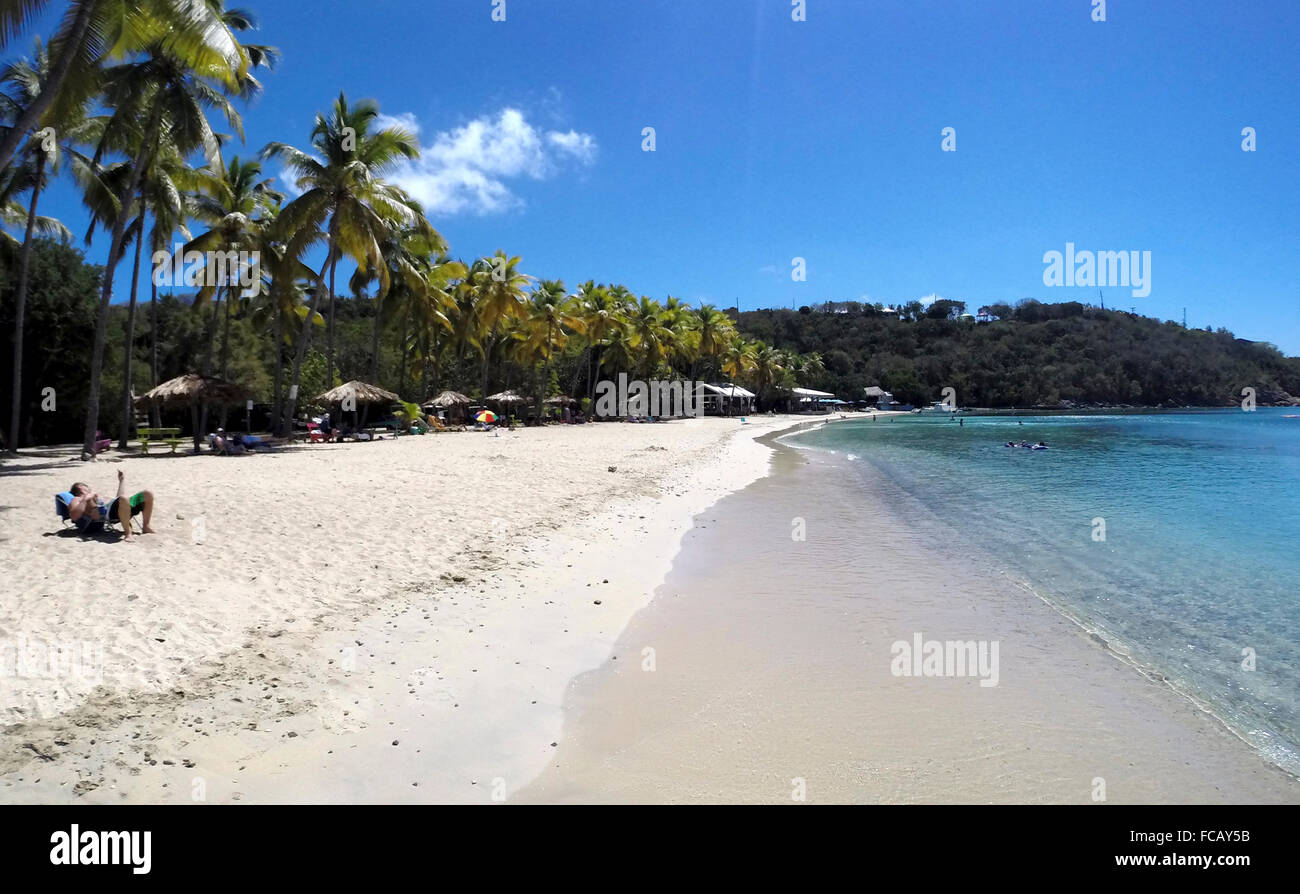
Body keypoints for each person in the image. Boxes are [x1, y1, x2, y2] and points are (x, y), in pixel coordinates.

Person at [68, 470, 155, 541]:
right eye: (85, 486)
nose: (88, 487)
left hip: (120, 506)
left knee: (147, 494)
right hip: (108, 513)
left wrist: (121, 481)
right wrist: (85, 499)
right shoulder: (76, 499)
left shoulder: (93, 495)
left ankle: (146, 526)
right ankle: (128, 533)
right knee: (124, 499)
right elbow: (74, 515)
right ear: (80, 487)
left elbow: (118, 498)